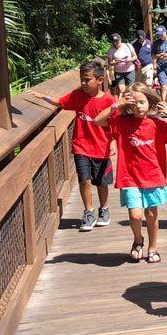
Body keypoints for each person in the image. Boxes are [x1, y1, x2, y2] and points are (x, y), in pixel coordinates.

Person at [94, 83, 167, 263]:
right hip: (129, 176)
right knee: (135, 215)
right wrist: (116, 104)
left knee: (151, 214)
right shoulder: (121, 122)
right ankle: (138, 239)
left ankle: (152, 247)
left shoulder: (156, 124)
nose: (138, 106)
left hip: (153, 176)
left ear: (149, 102)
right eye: (134, 102)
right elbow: (97, 121)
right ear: (128, 104)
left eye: (142, 102)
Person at [28, 60, 116, 232]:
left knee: (101, 182)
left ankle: (104, 209)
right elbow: (61, 102)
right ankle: (88, 211)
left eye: (87, 80)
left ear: (99, 80)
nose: (83, 83)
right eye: (81, 79)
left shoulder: (108, 100)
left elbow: (116, 123)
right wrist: (42, 97)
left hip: (101, 146)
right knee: (84, 180)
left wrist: (113, 140)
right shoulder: (78, 96)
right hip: (81, 144)